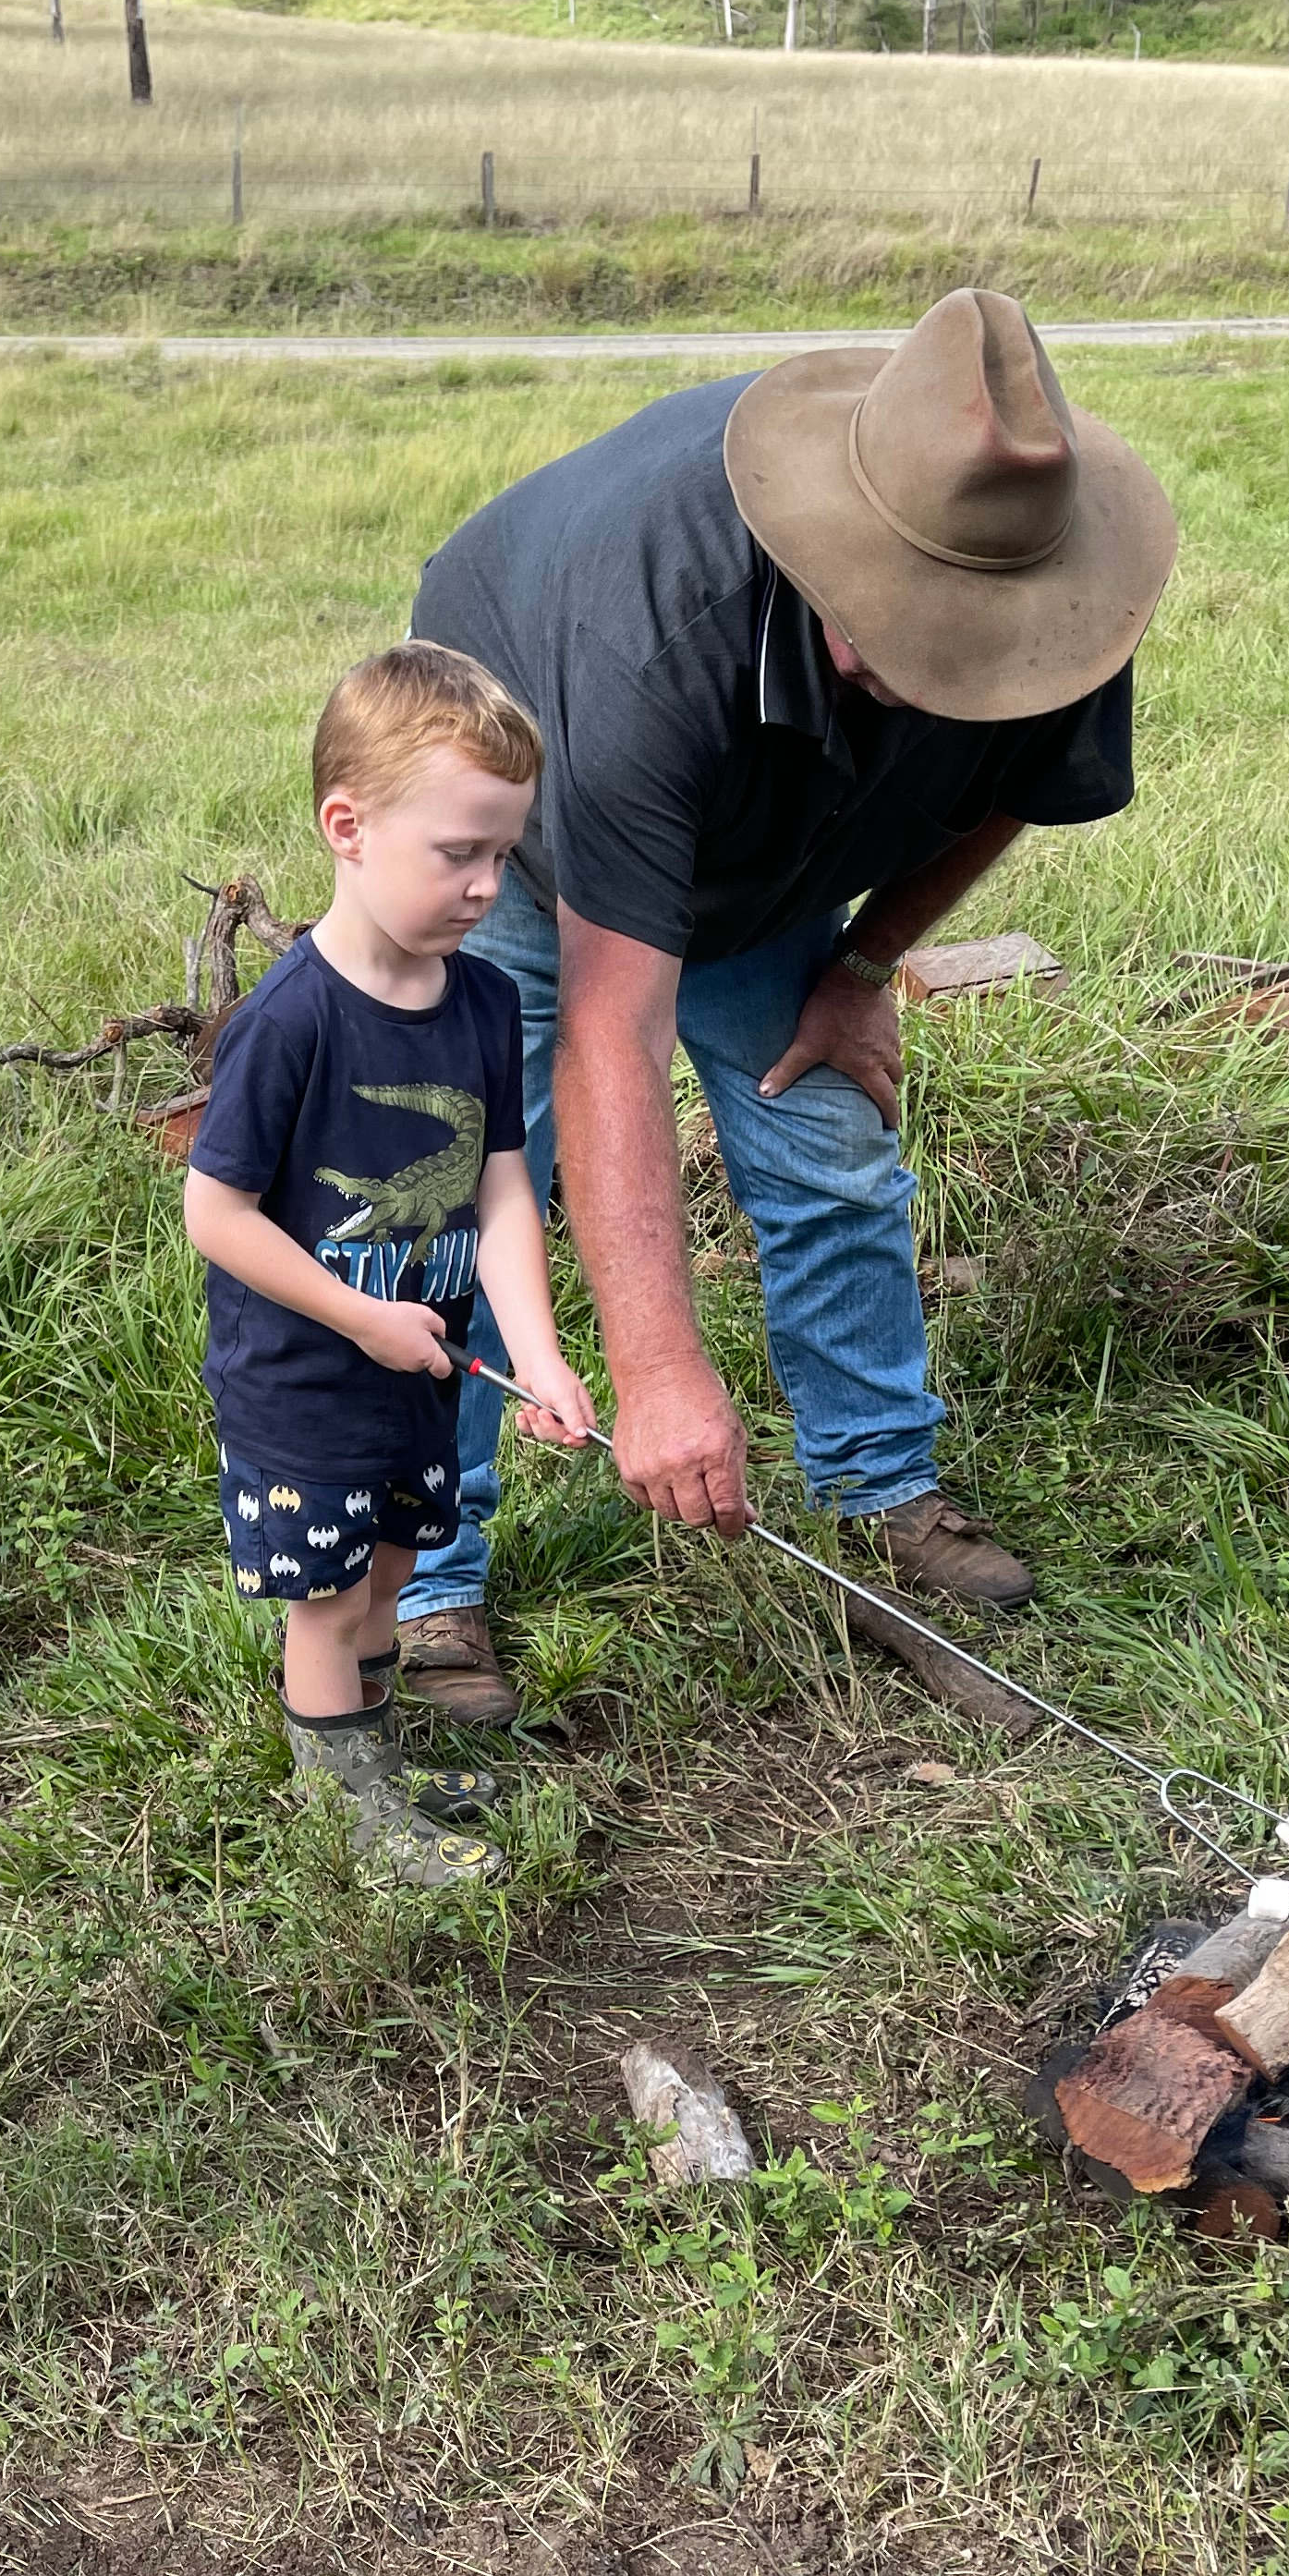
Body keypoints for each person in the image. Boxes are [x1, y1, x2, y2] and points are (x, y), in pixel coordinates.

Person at [397, 286, 1180, 1728]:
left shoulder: (1062, 602)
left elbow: (1009, 794)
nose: (948, 662)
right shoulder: (655, 642)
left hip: (773, 853)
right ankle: (424, 1573)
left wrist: (864, 965)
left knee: (826, 1141)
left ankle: (884, 1489)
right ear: (832, 561)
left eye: (972, 643)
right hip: (514, 811)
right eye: (913, 630)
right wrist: (662, 1370)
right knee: (454, 1184)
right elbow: (611, 1035)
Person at [183, 644, 600, 1888]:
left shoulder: (478, 1004)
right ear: (347, 828)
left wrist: (540, 1355)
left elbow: (505, 1182)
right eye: (457, 854)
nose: (486, 887)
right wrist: (356, 1317)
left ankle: (375, 1754)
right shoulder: (293, 1017)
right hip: (307, 1380)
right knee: (326, 1601)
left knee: (397, 1568)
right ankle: (345, 1815)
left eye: (503, 854)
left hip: (427, 1367)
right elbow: (217, 1211)